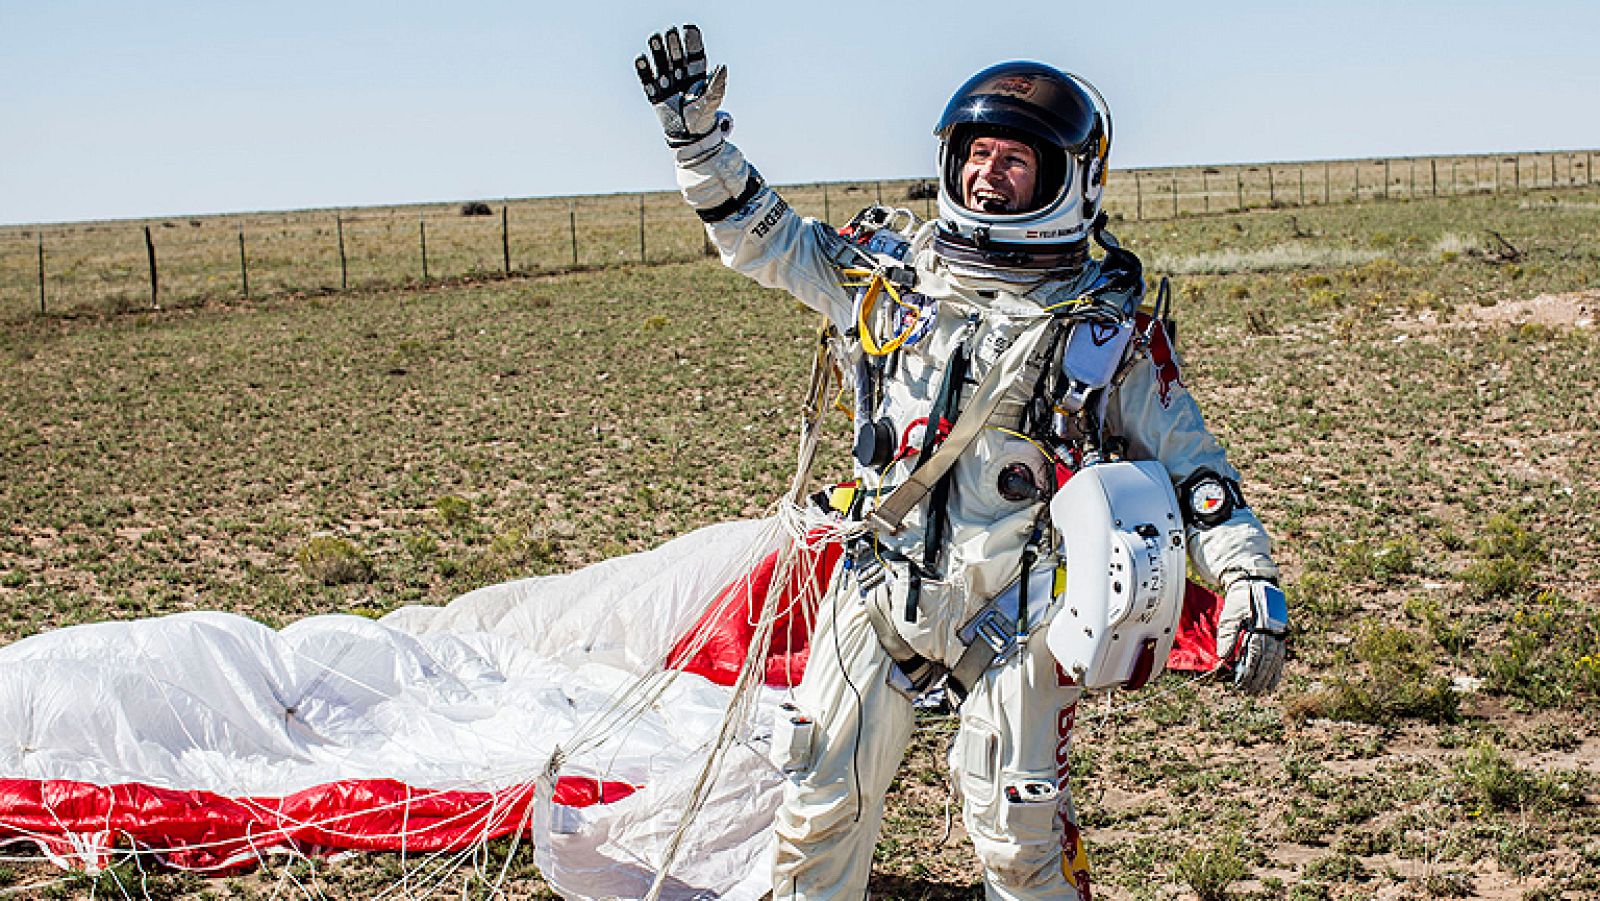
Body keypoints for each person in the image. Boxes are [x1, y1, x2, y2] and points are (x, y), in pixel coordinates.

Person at [636, 25, 1288, 901]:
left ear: (1071, 179)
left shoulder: (1103, 330)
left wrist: (1249, 584)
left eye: (1016, 159)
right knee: (816, 804)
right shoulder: (891, 277)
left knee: (1017, 831)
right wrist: (699, 145)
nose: (989, 174)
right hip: (880, 587)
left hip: (1017, 608)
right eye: (976, 153)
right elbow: (765, 235)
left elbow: (1195, 476)